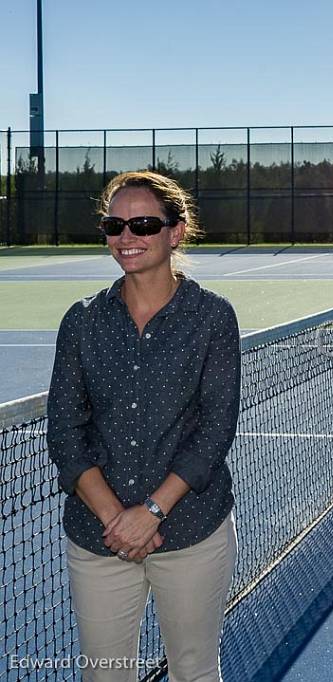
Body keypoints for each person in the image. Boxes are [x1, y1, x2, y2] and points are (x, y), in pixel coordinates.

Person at [47, 171, 240, 681]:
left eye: (144, 224)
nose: (127, 236)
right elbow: (66, 431)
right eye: (115, 224)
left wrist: (152, 511)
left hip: (193, 531)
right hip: (99, 536)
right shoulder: (82, 321)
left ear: (175, 232)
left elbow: (216, 430)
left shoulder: (212, 317)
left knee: (194, 670)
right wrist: (118, 519)